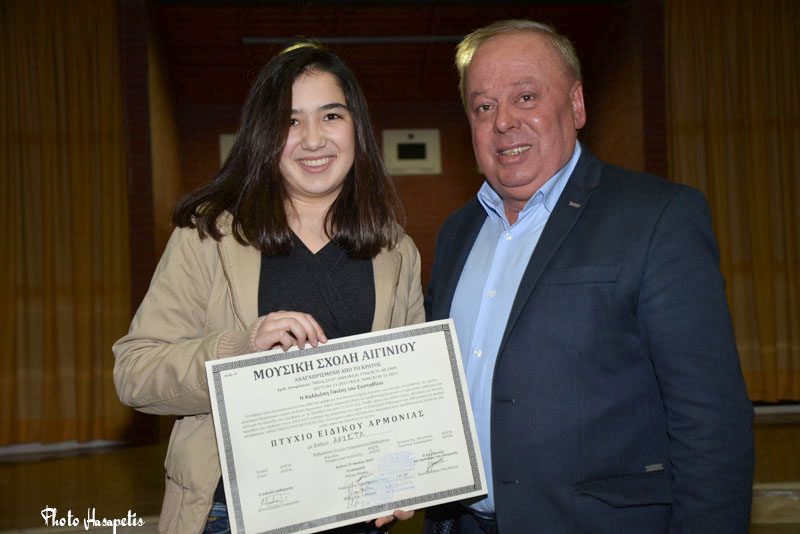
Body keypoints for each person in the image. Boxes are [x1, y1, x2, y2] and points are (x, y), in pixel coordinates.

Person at [424, 20, 754, 533]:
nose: (503, 121)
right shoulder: (456, 232)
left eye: (526, 97)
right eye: (483, 106)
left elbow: (710, 420)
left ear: (576, 105)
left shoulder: (657, 218)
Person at [113, 42, 422, 534]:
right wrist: (239, 350)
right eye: (290, 121)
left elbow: (408, 395)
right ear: (264, 135)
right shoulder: (208, 237)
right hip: (229, 517)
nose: (313, 139)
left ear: (357, 128)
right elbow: (135, 373)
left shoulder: (396, 251)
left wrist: (406, 472)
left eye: (331, 115)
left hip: (356, 515)